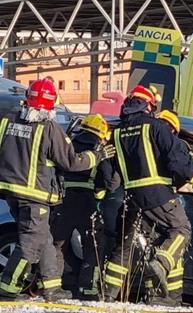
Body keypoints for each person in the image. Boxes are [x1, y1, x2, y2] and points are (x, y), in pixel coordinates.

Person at [0, 78, 115, 302]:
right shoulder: (49, 128)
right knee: (32, 243)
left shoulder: (7, 120)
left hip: (9, 191)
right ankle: (8, 287)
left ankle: (52, 288)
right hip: (35, 195)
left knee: (43, 238)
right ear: (51, 104)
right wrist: (97, 155)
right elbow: (72, 162)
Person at [103, 85, 193, 306]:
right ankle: (162, 265)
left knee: (145, 245)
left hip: (132, 199)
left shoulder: (117, 132)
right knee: (181, 231)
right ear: (148, 105)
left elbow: (111, 173)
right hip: (157, 194)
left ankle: (146, 296)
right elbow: (177, 163)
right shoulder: (155, 127)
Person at [52, 114, 116, 301]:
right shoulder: (100, 150)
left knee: (57, 244)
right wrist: (100, 193)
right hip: (87, 204)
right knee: (93, 246)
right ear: (102, 132)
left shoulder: (68, 144)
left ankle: (56, 285)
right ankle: (88, 289)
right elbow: (109, 182)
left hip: (62, 201)